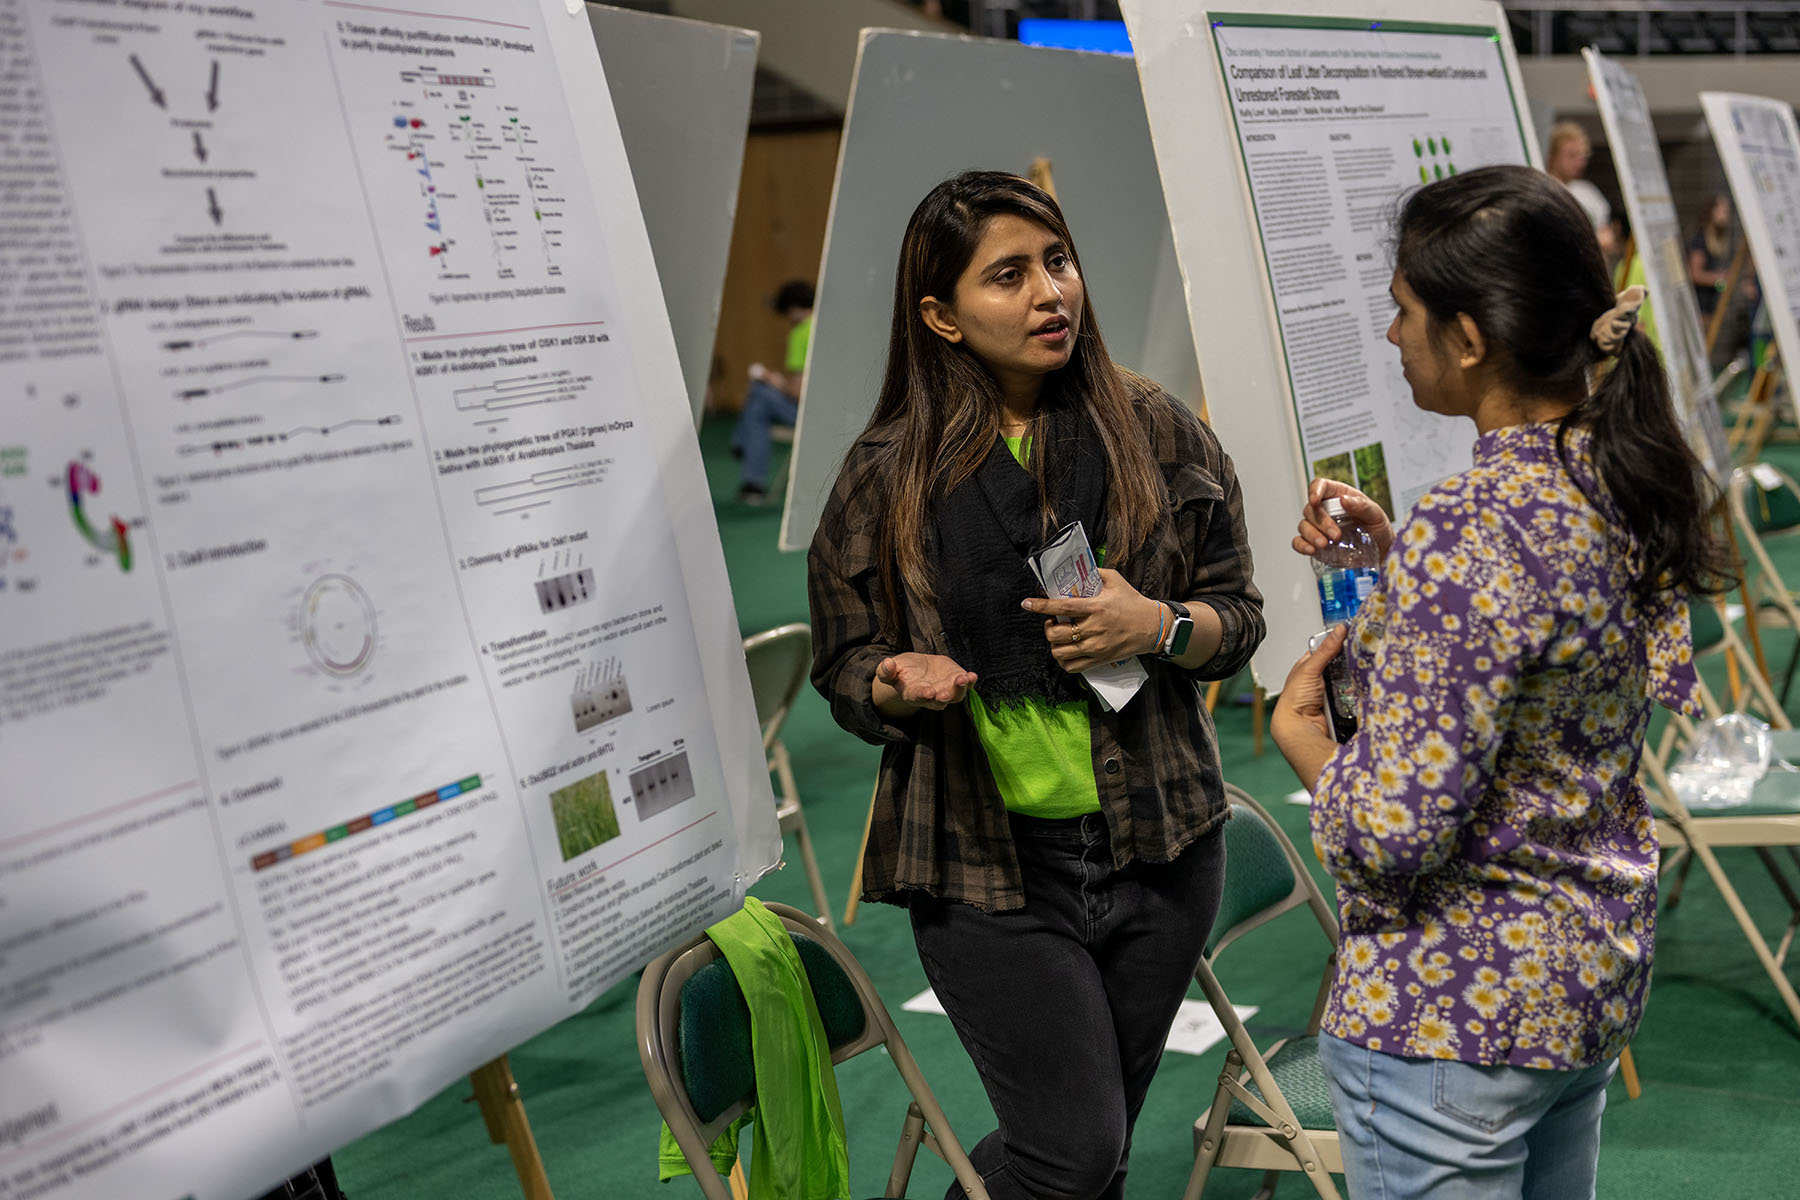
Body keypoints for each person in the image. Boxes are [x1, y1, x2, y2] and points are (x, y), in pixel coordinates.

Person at [1270, 164, 1730, 1198]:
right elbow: (1542, 670)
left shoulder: (1475, 528)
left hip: (1455, 1006)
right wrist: (1403, 586)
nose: (1393, 338)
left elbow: (1394, 827)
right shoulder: (1618, 475)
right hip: (1580, 977)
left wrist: (1307, 741)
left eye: (1402, 313)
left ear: (1469, 338)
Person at [808, 170, 1263, 1200]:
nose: (1050, 292)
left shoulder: (1157, 430)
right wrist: (889, 679)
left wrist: (1158, 624)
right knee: (1071, 1153)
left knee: (1088, 1157)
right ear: (941, 316)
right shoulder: (885, 475)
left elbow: (1236, 619)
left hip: (1163, 845)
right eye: (1008, 276)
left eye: (1057, 262)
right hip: (988, 867)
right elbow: (842, 661)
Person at [731, 278, 813, 505]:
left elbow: (796, 392)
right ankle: (743, 449)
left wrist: (773, 379)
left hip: (808, 412)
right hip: (831, 406)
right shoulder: (823, 327)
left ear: (794, 309)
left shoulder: (800, 334)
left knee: (759, 394)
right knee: (758, 400)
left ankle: (743, 449)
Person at [1546, 121, 1616, 261]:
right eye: (1571, 155)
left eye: (1581, 156)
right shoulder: (1543, 192)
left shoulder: (1588, 191)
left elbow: (1607, 236)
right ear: (1553, 155)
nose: (1579, 162)